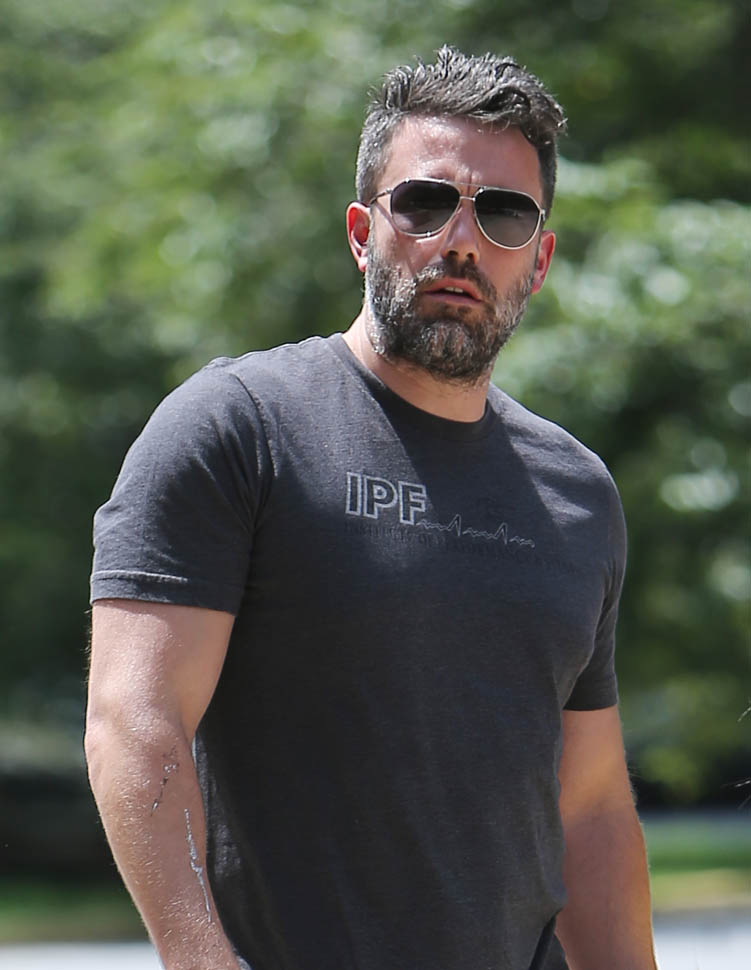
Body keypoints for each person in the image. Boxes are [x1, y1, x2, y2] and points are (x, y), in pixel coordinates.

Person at [85, 46, 658, 970]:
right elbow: (134, 725)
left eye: (503, 213)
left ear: (539, 259)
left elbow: (588, 805)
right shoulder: (239, 428)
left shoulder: (576, 492)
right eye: (424, 203)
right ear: (361, 231)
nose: (461, 241)